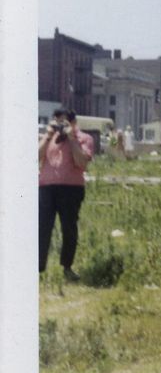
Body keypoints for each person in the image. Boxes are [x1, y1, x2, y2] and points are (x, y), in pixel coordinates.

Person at [38, 108, 94, 281]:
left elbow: (82, 163)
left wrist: (71, 139)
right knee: (41, 228)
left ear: (73, 123)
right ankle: (38, 268)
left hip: (71, 189)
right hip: (47, 187)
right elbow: (36, 156)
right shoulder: (49, 138)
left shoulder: (84, 138)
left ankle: (67, 267)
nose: (60, 126)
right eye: (57, 122)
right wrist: (47, 137)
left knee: (68, 228)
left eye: (64, 122)